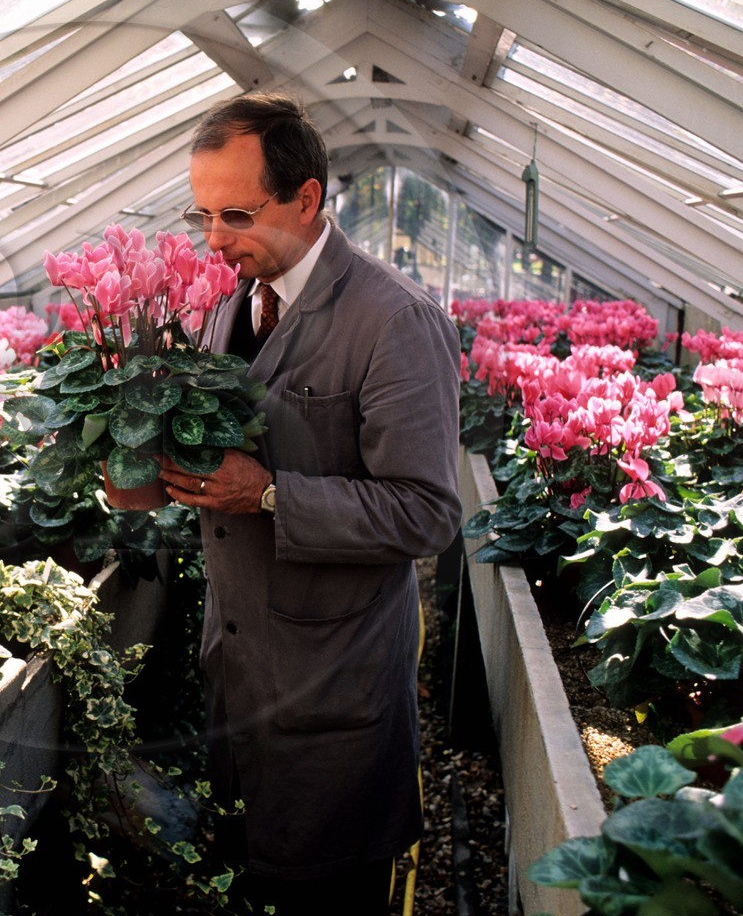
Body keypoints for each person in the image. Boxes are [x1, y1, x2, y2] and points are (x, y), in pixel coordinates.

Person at [158, 92, 463, 914]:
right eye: (201, 215)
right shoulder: (230, 302)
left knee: (329, 894)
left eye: (236, 215)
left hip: (335, 692)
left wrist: (268, 494)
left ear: (306, 199)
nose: (214, 239)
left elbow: (428, 513)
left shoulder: (393, 321)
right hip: (238, 678)